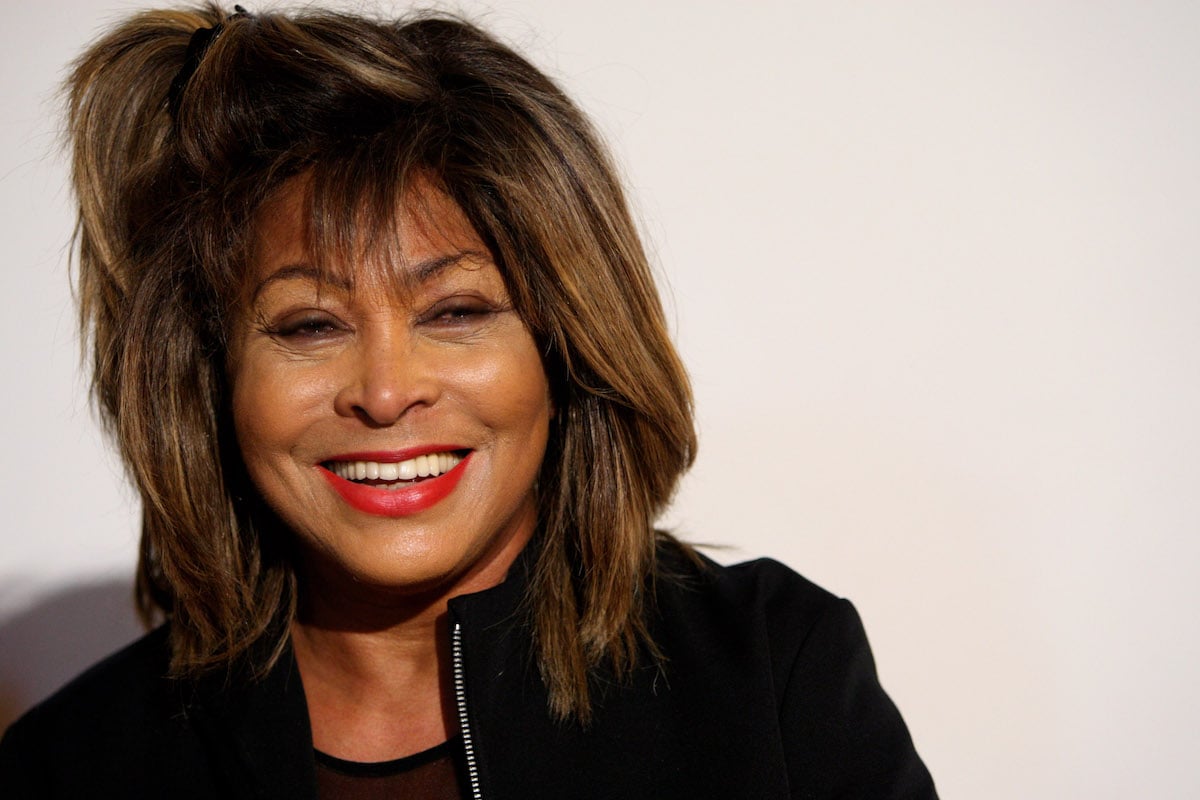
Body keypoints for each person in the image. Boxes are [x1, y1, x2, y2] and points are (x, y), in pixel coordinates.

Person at [0, 4, 937, 797]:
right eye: (310, 325)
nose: (385, 392)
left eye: (455, 311)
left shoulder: (770, 670)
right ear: (211, 377)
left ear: (567, 348)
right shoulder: (70, 764)